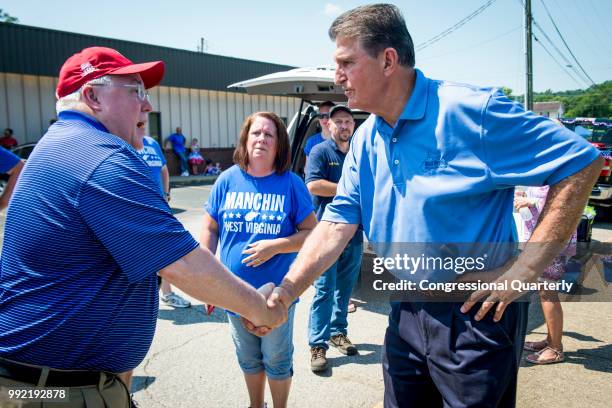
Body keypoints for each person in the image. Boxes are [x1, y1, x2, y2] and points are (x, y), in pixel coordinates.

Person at [245, 4, 603, 408]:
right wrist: (288, 291)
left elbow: (581, 161)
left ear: (388, 60)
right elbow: (335, 225)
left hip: (476, 316)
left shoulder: (471, 112)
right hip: (406, 308)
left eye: (346, 62)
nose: (337, 77)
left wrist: (525, 269)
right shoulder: (366, 139)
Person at [0, 46, 285, 408]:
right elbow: (184, 265)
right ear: (92, 96)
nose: (147, 105)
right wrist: (262, 309)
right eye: (136, 91)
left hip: (46, 382)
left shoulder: (56, 146)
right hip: (58, 392)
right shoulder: (101, 156)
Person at [200, 112, 317, 408]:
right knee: (248, 357)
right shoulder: (226, 180)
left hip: (276, 295)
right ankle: (256, 405)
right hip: (232, 292)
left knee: (277, 358)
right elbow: (210, 229)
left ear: (279, 145)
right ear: (245, 139)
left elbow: (312, 234)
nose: (261, 139)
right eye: (256, 133)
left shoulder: (291, 184)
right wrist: (205, 277)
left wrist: (276, 246)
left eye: (269, 135)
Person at [305, 105, 363, 372]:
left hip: (353, 234)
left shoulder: (359, 153)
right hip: (326, 234)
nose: (344, 126)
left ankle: (338, 332)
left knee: (344, 289)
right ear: (328, 125)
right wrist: (349, 189)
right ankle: (318, 344)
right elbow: (314, 185)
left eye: (348, 121)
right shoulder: (320, 152)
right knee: (324, 289)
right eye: (338, 121)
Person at [515, 186, 576, 364]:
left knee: (547, 292)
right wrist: (526, 196)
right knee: (544, 291)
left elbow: (567, 202)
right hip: (540, 240)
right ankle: (550, 341)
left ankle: (556, 348)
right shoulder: (546, 171)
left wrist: (531, 201)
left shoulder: (562, 169)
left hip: (552, 242)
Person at [137, 132, 191, 309]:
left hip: (159, 205)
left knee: (164, 251)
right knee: (148, 253)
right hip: (139, 209)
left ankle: (167, 294)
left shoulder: (152, 143)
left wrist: (166, 194)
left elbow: (163, 170)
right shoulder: (126, 142)